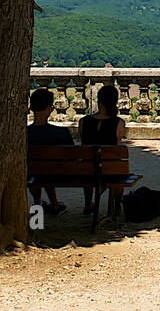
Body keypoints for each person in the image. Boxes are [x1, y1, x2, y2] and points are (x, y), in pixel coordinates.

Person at [79, 83, 126, 214]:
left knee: (88, 165)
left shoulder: (83, 121)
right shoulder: (119, 123)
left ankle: (88, 204)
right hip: (110, 170)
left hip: (87, 170)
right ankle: (116, 207)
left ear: (98, 100)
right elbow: (117, 146)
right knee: (118, 167)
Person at [27, 88, 71, 216]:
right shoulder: (62, 133)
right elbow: (71, 157)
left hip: (31, 173)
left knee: (36, 170)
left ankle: (38, 203)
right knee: (46, 169)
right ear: (50, 108)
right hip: (58, 174)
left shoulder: (23, 134)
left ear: (31, 108)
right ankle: (55, 204)